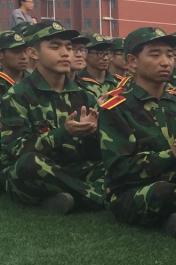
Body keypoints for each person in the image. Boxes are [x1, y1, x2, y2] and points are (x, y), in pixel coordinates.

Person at [97, 27, 176, 235]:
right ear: (132, 62)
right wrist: (172, 153)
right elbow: (119, 169)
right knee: (162, 192)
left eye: (170, 55)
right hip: (134, 191)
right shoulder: (116, 109)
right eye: (155, 54)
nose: (165, 62)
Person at [0, 21, 105, 213]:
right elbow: (18, 149)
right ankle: (99, 198)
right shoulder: (17, 96)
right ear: (33, 53)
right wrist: (64, 133)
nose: (65, 53)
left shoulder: (84, 95)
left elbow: (95, 151)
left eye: (69, 47)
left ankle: (64, 198)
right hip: (39, 168)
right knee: (28, 165)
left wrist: (94, 132)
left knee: (111, 164)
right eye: (55, 47)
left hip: (73, 168)